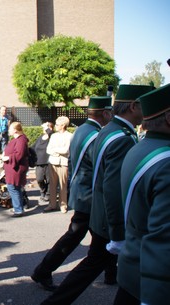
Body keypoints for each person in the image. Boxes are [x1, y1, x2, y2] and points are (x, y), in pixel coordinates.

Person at [40, 84, 154, 305]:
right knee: (92, 266)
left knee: (94, 264)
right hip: (107, 218)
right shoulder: (121, 137)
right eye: (143, 105)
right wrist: (118, 233)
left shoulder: (108, 131)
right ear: (132, 106)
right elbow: (112, 189)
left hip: (99, 212)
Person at [32, 96, 112, 291]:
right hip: (90, 194)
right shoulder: (94, 134)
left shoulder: (83, 130)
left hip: (83, 191)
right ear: (105, 112)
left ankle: (112, 273)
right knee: (80, 237)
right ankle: (43, 271)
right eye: (110, 112)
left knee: (97, 238)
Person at [114, 84, 170, 305]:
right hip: (151, 276)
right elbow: (164, 238)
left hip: (133, 263)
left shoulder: (141, 147)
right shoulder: (166, 161)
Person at [44, 116, 73, 213]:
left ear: (63, 125)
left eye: (57, 124)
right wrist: (57, 151)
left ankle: (63, 205)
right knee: (52, 184)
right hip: (52, 162)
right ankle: (52, 204)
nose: (55, 126)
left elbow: (66, 150)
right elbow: (48, 149)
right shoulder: (53, 136)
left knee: (63, 184)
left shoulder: (69, 136)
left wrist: (55, 150)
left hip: (63, 163)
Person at [1, 121, 29, 217]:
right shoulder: (16, 139)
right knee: (14, 188)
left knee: (13, 187)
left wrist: (8, 158)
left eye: (10, 129)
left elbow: (19, 154)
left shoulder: (21, 140)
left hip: (16, 168)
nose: (8, 130)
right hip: (12, 168)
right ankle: (18, 207)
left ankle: (18, 209)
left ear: (16, 130)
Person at [31, 122, 54, 202]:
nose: (45, 128)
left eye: (48, 127)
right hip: (39, 162)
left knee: (49, 180)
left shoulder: (52, 137)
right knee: (39, 179)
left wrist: (46, 127)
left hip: (48, 162)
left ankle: (48, 194)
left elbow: (50, 133)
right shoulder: (40, 137)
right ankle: (43, 191)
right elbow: (33, 147)